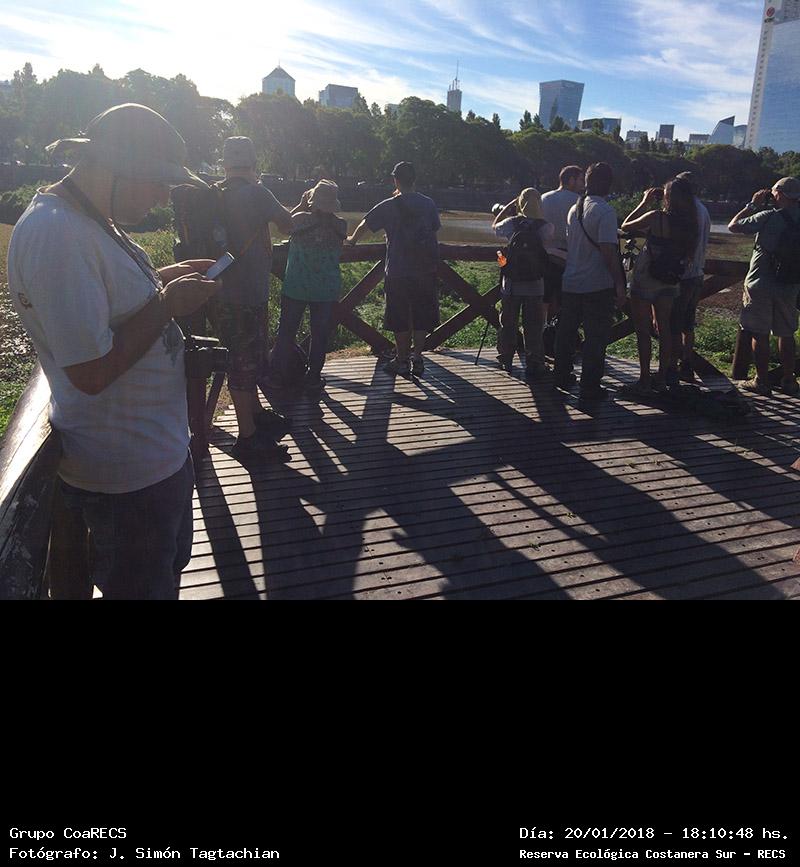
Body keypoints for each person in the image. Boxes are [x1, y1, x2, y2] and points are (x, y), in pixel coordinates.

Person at [6, 103, 220, 599]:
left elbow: (105, 304)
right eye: (158, 181)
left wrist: (164, 279)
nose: (165, 196)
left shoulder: (91, 219)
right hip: (126, 478)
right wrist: (168, 303)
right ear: (114, 167)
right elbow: (90, 371)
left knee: (164, 576)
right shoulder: (57, 234)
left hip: (155, 459)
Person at [205, 136, 304, 462]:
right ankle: (247, 437)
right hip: (247, 294)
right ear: (253, 163)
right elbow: (288, 225)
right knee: (244, 364)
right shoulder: (258, 193)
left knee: (244, 357)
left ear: (225, 165)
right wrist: (304, 205)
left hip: (220, 292)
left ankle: (257, 413)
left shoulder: (215, 193)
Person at [345, 161, 441, 377]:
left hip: (398, 270)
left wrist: (352, 241)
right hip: (425, 270)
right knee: (421, 316)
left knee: (399, 317)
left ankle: (402, 359)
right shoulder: (428, 204)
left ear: (395, 180)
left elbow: (365, 224)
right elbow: (434, 232)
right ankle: (418, 358)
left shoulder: (389, 205)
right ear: (414, 180)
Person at [553, 162, 627, 402]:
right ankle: (590, 385)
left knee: (566, 332)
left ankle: (561, 375)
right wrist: (619, 284)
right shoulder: (605, 212)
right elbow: (608, 252)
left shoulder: (574, 209)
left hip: (571, 281)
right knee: (596, 337)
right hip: (596, 284)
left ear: (587, 182)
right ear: (608, 184)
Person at [620, 177, 699, 394]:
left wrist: (644, 202)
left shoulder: (656, 217)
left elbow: (625, 225)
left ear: (669, 197)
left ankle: (645, 379)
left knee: (643, 330)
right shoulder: (691, 223)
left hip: (647, 276)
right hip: (671, 279)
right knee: (665, 328)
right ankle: (662, 378)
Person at [728, 176, 800, 397]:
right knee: (786, 334)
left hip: (761, 282)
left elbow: (733, 226)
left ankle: (761, 381)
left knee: (759, 333)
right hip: (790, 284)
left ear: (780, 194)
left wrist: (752, 205)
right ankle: (789, 380)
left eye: (774, 192)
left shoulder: (768, 216)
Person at [274, 179, 348, 395]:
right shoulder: (341, 225)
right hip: (326, 288)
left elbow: (283, 227)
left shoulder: (300, 219)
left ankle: (278, 376)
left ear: (313, 200)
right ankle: (313, 377)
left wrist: (301, 204)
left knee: (286, 332)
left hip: (296, 285)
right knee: (320, 335)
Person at [491, 187, 555, 379]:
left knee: (508, 323)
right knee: (534, 325)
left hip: (511, 284)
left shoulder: (511, 223)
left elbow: (494, 228)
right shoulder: (546, 227)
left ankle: (506, 358)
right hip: (535, 284)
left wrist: (508, 208)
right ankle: (535, 363)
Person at [669, 172, 711, 383]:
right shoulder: (703, 209)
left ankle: (673, 367)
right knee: (688, 325)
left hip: (683, 275)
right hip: (698, 273)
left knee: (675, 324)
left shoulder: (686, 210)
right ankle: (686, 364)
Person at [540, 165, 584, 317]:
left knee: (544, 299)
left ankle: (541, 328)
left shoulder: (544, 198)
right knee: (564, 302)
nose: (583, 185)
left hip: (544, 256)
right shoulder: (579, 202)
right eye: (581, 180)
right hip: (568, 258)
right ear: (571, 180)